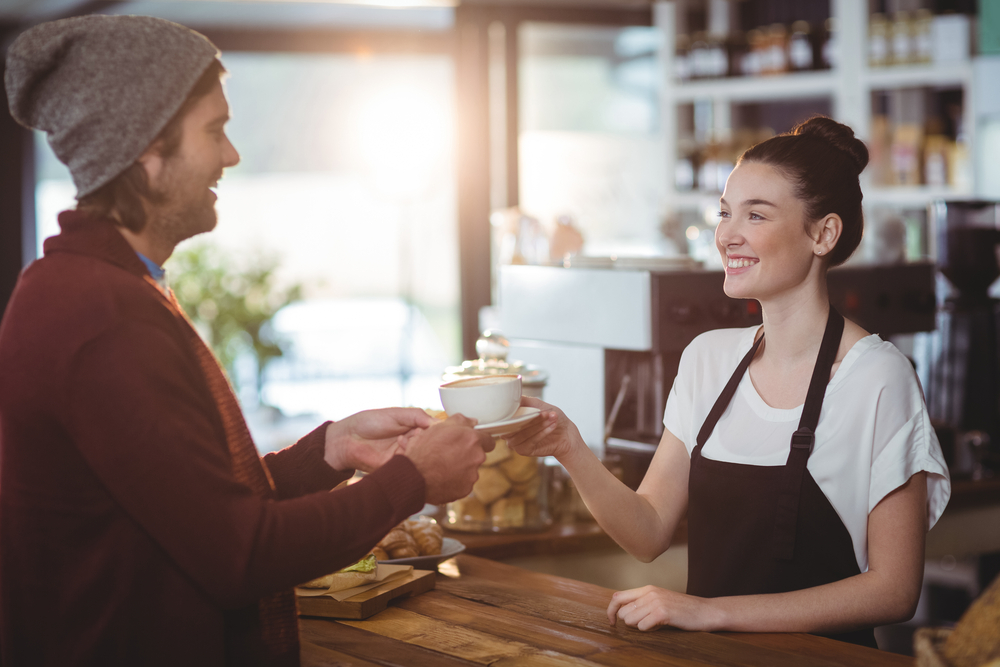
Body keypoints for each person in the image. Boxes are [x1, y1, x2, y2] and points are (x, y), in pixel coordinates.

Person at [0, 15, 491, 666]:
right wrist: (413, 479)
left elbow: (190, 507)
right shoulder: (104, 317)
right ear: (145, 152)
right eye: (213, 130)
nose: (231, 155)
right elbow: (241, 555)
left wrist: (331, 449)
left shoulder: (91, 289)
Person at [508, 116, 951, 648]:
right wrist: (569, 446)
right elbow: (648, 532)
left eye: (755, 215)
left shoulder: (878, 378)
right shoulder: (707, 360)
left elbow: (893, 591)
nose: (727, 235)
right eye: (724, 212)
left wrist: (711, 613)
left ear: (823, 233)